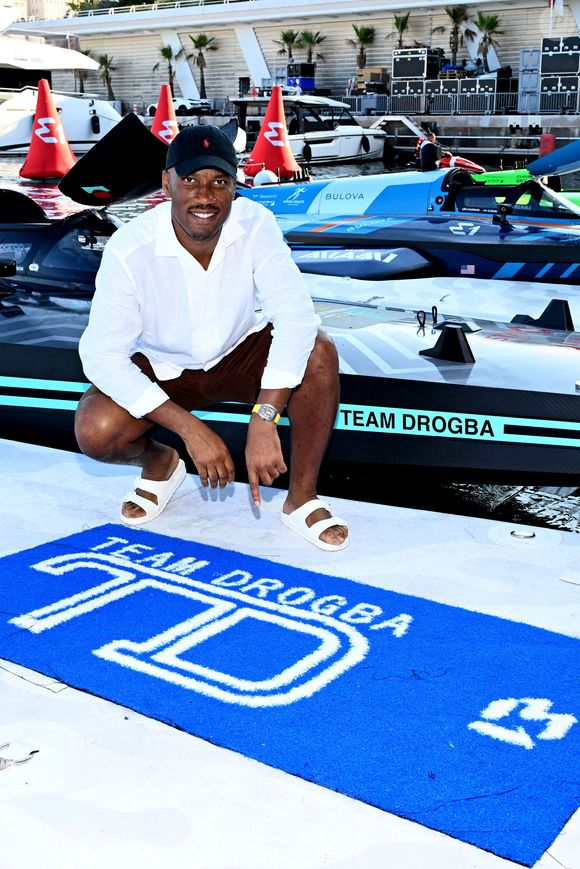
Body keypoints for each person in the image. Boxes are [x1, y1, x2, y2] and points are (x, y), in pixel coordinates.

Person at [75, 124, 349, 552]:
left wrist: (264, 417)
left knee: (318, 351)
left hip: (236, 353)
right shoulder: (130, 248)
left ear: (235, 187)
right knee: (96, 430)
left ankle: (301, 499)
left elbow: (295, 316)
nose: (205, 196)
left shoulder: (257, 224)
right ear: (167, 183)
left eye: (219, 181)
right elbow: (101, 356)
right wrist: (190, 431)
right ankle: (161, 463)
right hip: (165, 367)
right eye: (191, 181)